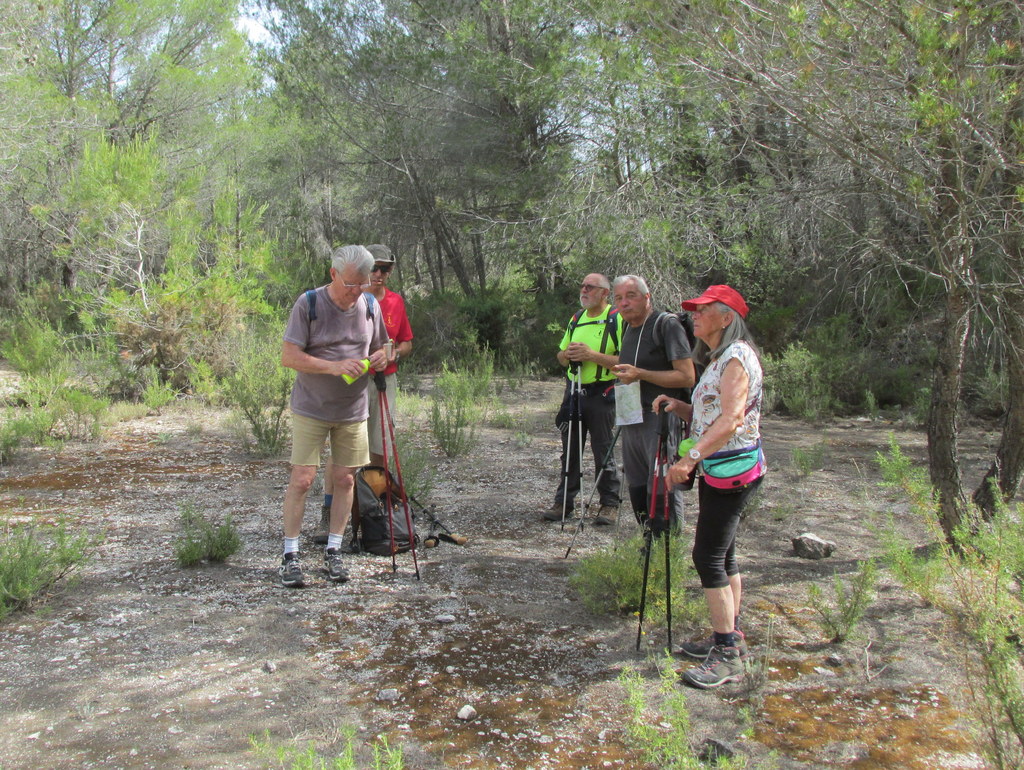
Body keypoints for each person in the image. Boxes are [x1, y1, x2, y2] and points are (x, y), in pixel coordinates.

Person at [657, 284, 765, 689]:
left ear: (726, 318)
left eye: (703, 310)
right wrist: (679, 405)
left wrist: (689, 459)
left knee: (708, 558)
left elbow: (731, 420)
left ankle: (727, 653)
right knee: (725, 555)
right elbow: (712, 415)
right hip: (727, 468)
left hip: (731, 471)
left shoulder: (736, 357)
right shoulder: (722, 357)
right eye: (694, 310)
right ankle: (730, 636)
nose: (694, 316)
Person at [278, 245, 388, 588]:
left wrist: (382, 357)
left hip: (353, 410)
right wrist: (333, 366)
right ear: (333, 274)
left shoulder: (371, 305)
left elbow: (385, 346)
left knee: (345, 480)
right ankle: (290, 554)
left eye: (362, 284)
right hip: (311, 406)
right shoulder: (308, 304)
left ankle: (334, 550)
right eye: (349, 284)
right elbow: (289, 357)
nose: (355, 292)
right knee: (302, 480)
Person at [315, 243, 413, 544]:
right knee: (342, 450)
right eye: (375, 268)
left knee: (380, 447)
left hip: (384, 382)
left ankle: (377, 510)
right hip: (349, 382)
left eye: (386, 269)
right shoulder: (349, 298)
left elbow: (407, 341)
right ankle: (330, 512)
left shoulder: (396, 302)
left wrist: (394, 354)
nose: (380, 274)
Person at [609, 275, 695, 533]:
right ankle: (649, 540)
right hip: (631, 417)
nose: (624, 303)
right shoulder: (628, 328)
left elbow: (687, 376)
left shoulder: (665, 325)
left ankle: (668, 546)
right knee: (636, 484)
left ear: (647, 297)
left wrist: (641, 374)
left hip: (660, 419)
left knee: (660, 485)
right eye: (618, 298)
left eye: (631, 296)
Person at [543, 273, 623, 525]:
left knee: (603, 449)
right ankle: (564, 502)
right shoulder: (576, 318)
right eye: (582, 285)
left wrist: (591, 355)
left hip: (603, 393)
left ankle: (609, 505)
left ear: (604, 293)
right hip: (574, 393)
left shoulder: (616, 318)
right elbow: (560, 355)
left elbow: (627, 361)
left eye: (591, 287)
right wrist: (568, 354)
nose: (584, 290)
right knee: (570, 450)